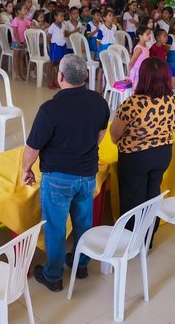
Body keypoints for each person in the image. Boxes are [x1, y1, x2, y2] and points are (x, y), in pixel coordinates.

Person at [22, 54, 110, 290]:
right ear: (86, 76)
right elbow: (101, 133)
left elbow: (32, 148)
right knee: (83, 222)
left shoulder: (50, 109)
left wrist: (25, 169)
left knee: (55, 227)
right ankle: (81, 264)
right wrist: (85, 148)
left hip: (58, 178)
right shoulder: (99, 102)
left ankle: (53, 276)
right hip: (87, 174)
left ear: (60, 76)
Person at [111, 57, 175, 240]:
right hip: (163, 153)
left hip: (136, 157)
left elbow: (115, 133)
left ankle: (130, 240)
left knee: (132, 199)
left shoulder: (133, 103)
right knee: (153, 195)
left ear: (143, 76)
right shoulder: (173, 100)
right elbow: (174, 124)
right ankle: (148, 237)